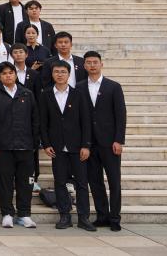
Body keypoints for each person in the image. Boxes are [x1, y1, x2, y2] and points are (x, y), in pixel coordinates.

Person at [40, 62, 95, 231]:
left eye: (63, 72)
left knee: (82, 183)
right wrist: (46, 144)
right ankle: (64, 216)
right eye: (56, 71)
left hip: (77, 146)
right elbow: (43, 122)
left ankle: (83, 217)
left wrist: (86, 145)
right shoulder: (45, 94)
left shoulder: (79, 94)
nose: (60, 74)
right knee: (60, 182)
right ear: (52, 74)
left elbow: (86, 121)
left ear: (69, 74)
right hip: (56, 147)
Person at [0, 62, 39, 229]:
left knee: (25, 183)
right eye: (4, 73)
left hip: (25, 146)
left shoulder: (27, 94)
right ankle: (7, 213)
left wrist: (34, 142)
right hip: (3, 148)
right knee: (5, 183)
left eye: (11, 72)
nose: (8, 76)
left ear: (15, 74)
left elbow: (35, 119)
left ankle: (24, 214)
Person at [77, 51, 126, 231]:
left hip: (109, 142)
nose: (92, 65)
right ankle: (102, 215)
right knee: (95, 182)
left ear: (101, 64)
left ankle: (115, 218)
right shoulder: (79, 87)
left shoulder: (113, 86)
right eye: (88, 62)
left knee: (114, 181)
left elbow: (120, 115)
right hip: (90, 143)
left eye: (95, 62)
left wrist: (119, 140)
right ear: (84, 66)